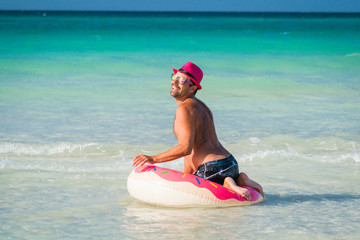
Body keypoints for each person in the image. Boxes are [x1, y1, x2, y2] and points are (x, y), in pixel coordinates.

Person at [133, 62, 264, 200]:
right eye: (174, 77)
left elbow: (185, 149)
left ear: (192, 88)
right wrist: (187, 177)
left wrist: (153, 158)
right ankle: (240, 179)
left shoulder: (184, 109)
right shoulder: (202, 107)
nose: (175, 82)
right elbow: (192, 149)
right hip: (230, 164)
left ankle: (227, 183)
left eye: (182, 80)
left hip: (212, 169)